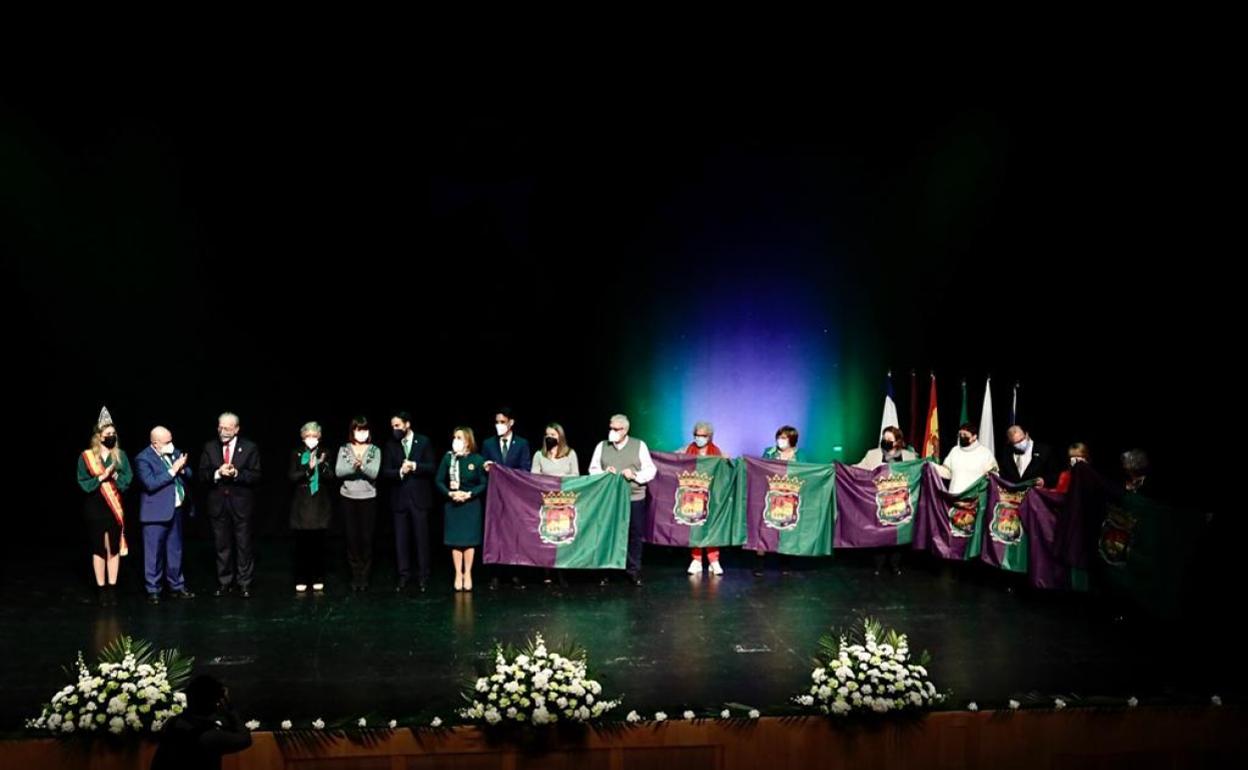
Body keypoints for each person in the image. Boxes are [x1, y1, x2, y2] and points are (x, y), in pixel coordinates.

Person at [589, 413, 657, 586]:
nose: (612, 432)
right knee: (607, 533)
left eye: (616, 429)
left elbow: (650, 470)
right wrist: (605, 473)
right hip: (610, 499)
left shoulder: (639, 445)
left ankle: (633, 571)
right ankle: (606, 570)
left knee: (634, 534)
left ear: (625, 430)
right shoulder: (602, 446)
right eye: (610, 428)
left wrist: (634, 475)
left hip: (634, 497)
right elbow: (593, 469)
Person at [200, 412, 262, 598]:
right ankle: (224, 582)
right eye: (220, 427)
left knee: (243, 544)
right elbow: (202, 474)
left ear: (236, 429)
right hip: (218, 503)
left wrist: (236, 473)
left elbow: (256, 475)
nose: (222, 431)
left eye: (227, 428)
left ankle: (244, 583)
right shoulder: (210, 447)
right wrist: (217, 473)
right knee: (222, 545)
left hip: (241, 503)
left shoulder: (249, 447)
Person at [76, 406, 133, 605]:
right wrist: (101, 477)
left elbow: (128, 479)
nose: (111, 437)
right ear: (99, 437)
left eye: (113, 434)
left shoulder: (121, 456)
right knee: (99, 548)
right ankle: (101, 590)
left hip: (114, 507)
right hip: (95, 507)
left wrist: (115, 475)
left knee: (113, 548)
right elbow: (82, 482)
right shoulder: (86, 457)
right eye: (107, 434)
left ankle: (112, 588)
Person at [135, 426, 195, 603]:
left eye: (171, 440)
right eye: (167, 442)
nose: (171, 445)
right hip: (155, 513)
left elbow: (189, 473)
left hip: (175, 510)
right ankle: (153, 589)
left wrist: (182, 469)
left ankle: (176, 585)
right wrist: (173, 470)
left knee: (175, 550)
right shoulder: (143, 459)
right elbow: (150, 483)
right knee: (153, 553)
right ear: (155, 443)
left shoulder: (173, 452)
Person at [150, 674, 252, 770]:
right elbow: (245, 739)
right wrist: (229, 709)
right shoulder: (208, 736)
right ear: (216, 702)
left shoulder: (173, 722)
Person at [383, 411, 435, 592]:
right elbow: (386, 471)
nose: (395, 429)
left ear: (407, 424)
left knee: (421, 539)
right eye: (393, 427)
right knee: (401, 540)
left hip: (419, 498)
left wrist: (415, 466)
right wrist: (400, 471)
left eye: (397, 426)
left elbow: (431, 467)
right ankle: (404, 575)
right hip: (399, 499)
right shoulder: (391, 445)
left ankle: (423, 576)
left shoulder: (424, 441)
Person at [855, 425, 917, 576]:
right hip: (880, 501)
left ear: (898, 441)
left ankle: (895, 565)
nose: (885, 441)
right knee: (880, 532)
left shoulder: (909, 456)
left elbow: (917, 472)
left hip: (901, 501)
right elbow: (859, 469)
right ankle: (879, 565)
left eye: (889, 439)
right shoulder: (873, 455)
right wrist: (842, 469)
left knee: (898, 531)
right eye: (884, 438)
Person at [436, 427, 487, 592]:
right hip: (453, 504)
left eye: (459, 437)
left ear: (467, 441)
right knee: (456, 541)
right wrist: (450, 494)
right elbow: (438, 480)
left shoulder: (477, 460)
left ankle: (468, 573)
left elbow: (483, 483)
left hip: (470, 505)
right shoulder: (448, 458)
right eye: (454, 437)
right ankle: (458, 573)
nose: (455, 440)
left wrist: (469, 494)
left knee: (469, 541)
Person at [336, 416, 381, 591]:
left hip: (368, 497)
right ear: (352, 431)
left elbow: (374, 472)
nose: (361, 433)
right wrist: (354, 468)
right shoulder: (344, 449)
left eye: (364, 430)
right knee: (351, 538)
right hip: (348, 497)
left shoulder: (374, 450)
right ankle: (355, 576)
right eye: (357, 429)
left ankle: (365, 576)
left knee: (366, 538)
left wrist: (361, 467)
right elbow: (339, 471)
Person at [288, 421, 334, 593]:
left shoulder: (325, 453)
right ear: (302, 437)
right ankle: (301, 577)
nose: (311, 439)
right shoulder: (297, 453)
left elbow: (331, 476)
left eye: (314, 436)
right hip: (302, 502)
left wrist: (321, 466)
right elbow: (292, 476)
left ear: (319, 437)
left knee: (319, 544)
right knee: (301, 545)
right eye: (308, 436)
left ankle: (318, 576)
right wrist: (309, 468)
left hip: (320, 502)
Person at [531, 422, 579, 585]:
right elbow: (534, 477)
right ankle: (547, 570)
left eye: (553, 434)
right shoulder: (539, 455)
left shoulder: (570, 454)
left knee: (562, 535)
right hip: (546, 502)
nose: (550, 437)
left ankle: (562, 571)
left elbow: (576, 476)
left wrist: (560, 481)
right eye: (547, 435)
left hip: (564, 502)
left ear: (560, 436)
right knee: (548, 536)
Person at [683, 421, 725, 576]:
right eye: (697, 435)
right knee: (694, 525)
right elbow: (677, 461)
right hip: (692, 495)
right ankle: (696, 560)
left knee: (711, 526)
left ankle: (714, 560)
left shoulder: (716, 451)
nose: (699, 438)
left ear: (709, 437)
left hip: (711, 496)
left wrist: (726, 461)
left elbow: (723, 472)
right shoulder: (688, 449)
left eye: (703, 435)